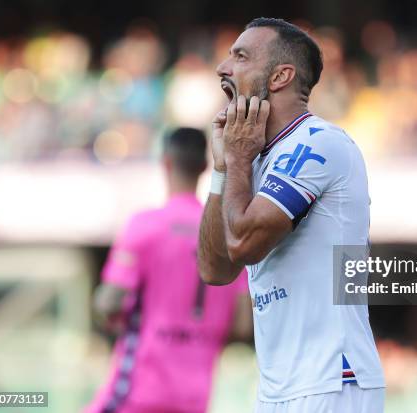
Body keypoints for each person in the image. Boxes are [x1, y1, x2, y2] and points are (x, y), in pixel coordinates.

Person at [197, 18, 385, 413]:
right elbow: (215, 270)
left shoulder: (319, 142)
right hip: (277, 388)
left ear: (281, 76)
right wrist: (223, 170)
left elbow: (243, 244)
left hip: (333, 382)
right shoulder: (255, 157)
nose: (223, 68)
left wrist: (238, 157)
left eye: (240, 57)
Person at [85, 128, 251, 413]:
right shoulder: (226, 234)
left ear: (165, 163)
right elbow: (243, 325)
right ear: (203, 167)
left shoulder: (146, 226)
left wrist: (109, 316)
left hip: (139, 389)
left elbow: (109, 302)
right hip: (195, 396)